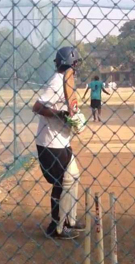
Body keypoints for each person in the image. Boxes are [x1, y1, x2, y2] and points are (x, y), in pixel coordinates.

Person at [32, 46, 84, 240]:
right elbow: (37, 107)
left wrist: (75, 117)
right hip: (49, 143)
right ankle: (56, 227)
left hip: (61, 140)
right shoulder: (56, 81)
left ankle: (69, 219)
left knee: (73, 176)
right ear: (74, 63)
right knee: (61, 182)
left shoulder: (66, 81)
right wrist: (60, 114)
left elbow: (68, 106)